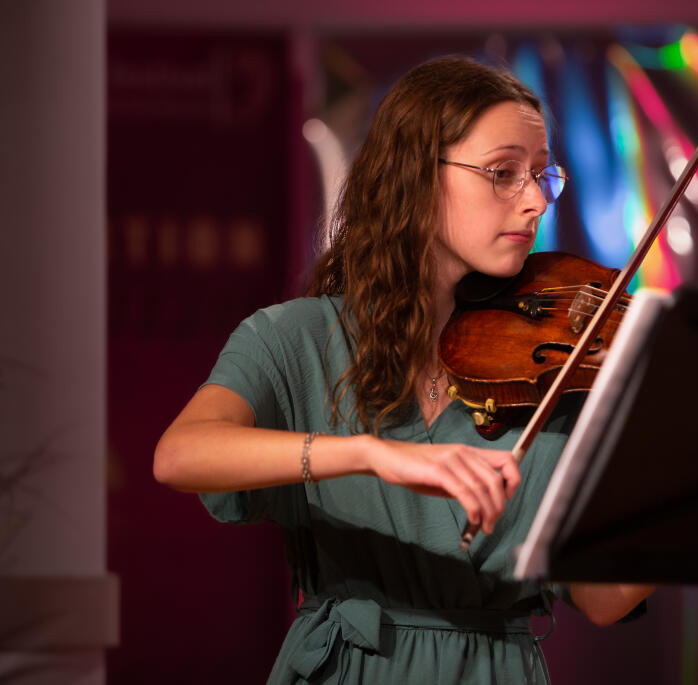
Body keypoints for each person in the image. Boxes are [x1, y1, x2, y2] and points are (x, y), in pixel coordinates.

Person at [154, 55, 653, 684]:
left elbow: (603, 599)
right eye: (503, 173)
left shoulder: (554, 371)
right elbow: (181, 455)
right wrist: (368, 454)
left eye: (540, 175)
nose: (534, 201)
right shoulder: (297, 338)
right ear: (416, 174)